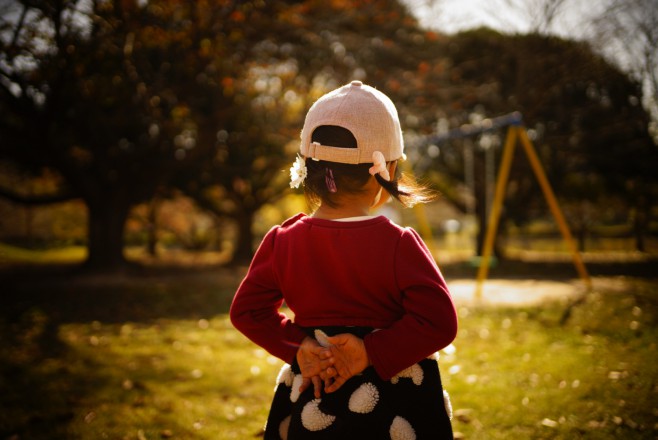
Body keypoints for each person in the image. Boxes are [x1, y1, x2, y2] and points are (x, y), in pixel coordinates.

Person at [230, 80, 458, 439]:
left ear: (308, 168)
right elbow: (439, 322)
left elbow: (247, 312)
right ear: (386, 169)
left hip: (314, 399)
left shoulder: (282, 242)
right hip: (395, 404)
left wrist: (300, 348)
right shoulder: (399, 245)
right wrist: (370, 352)